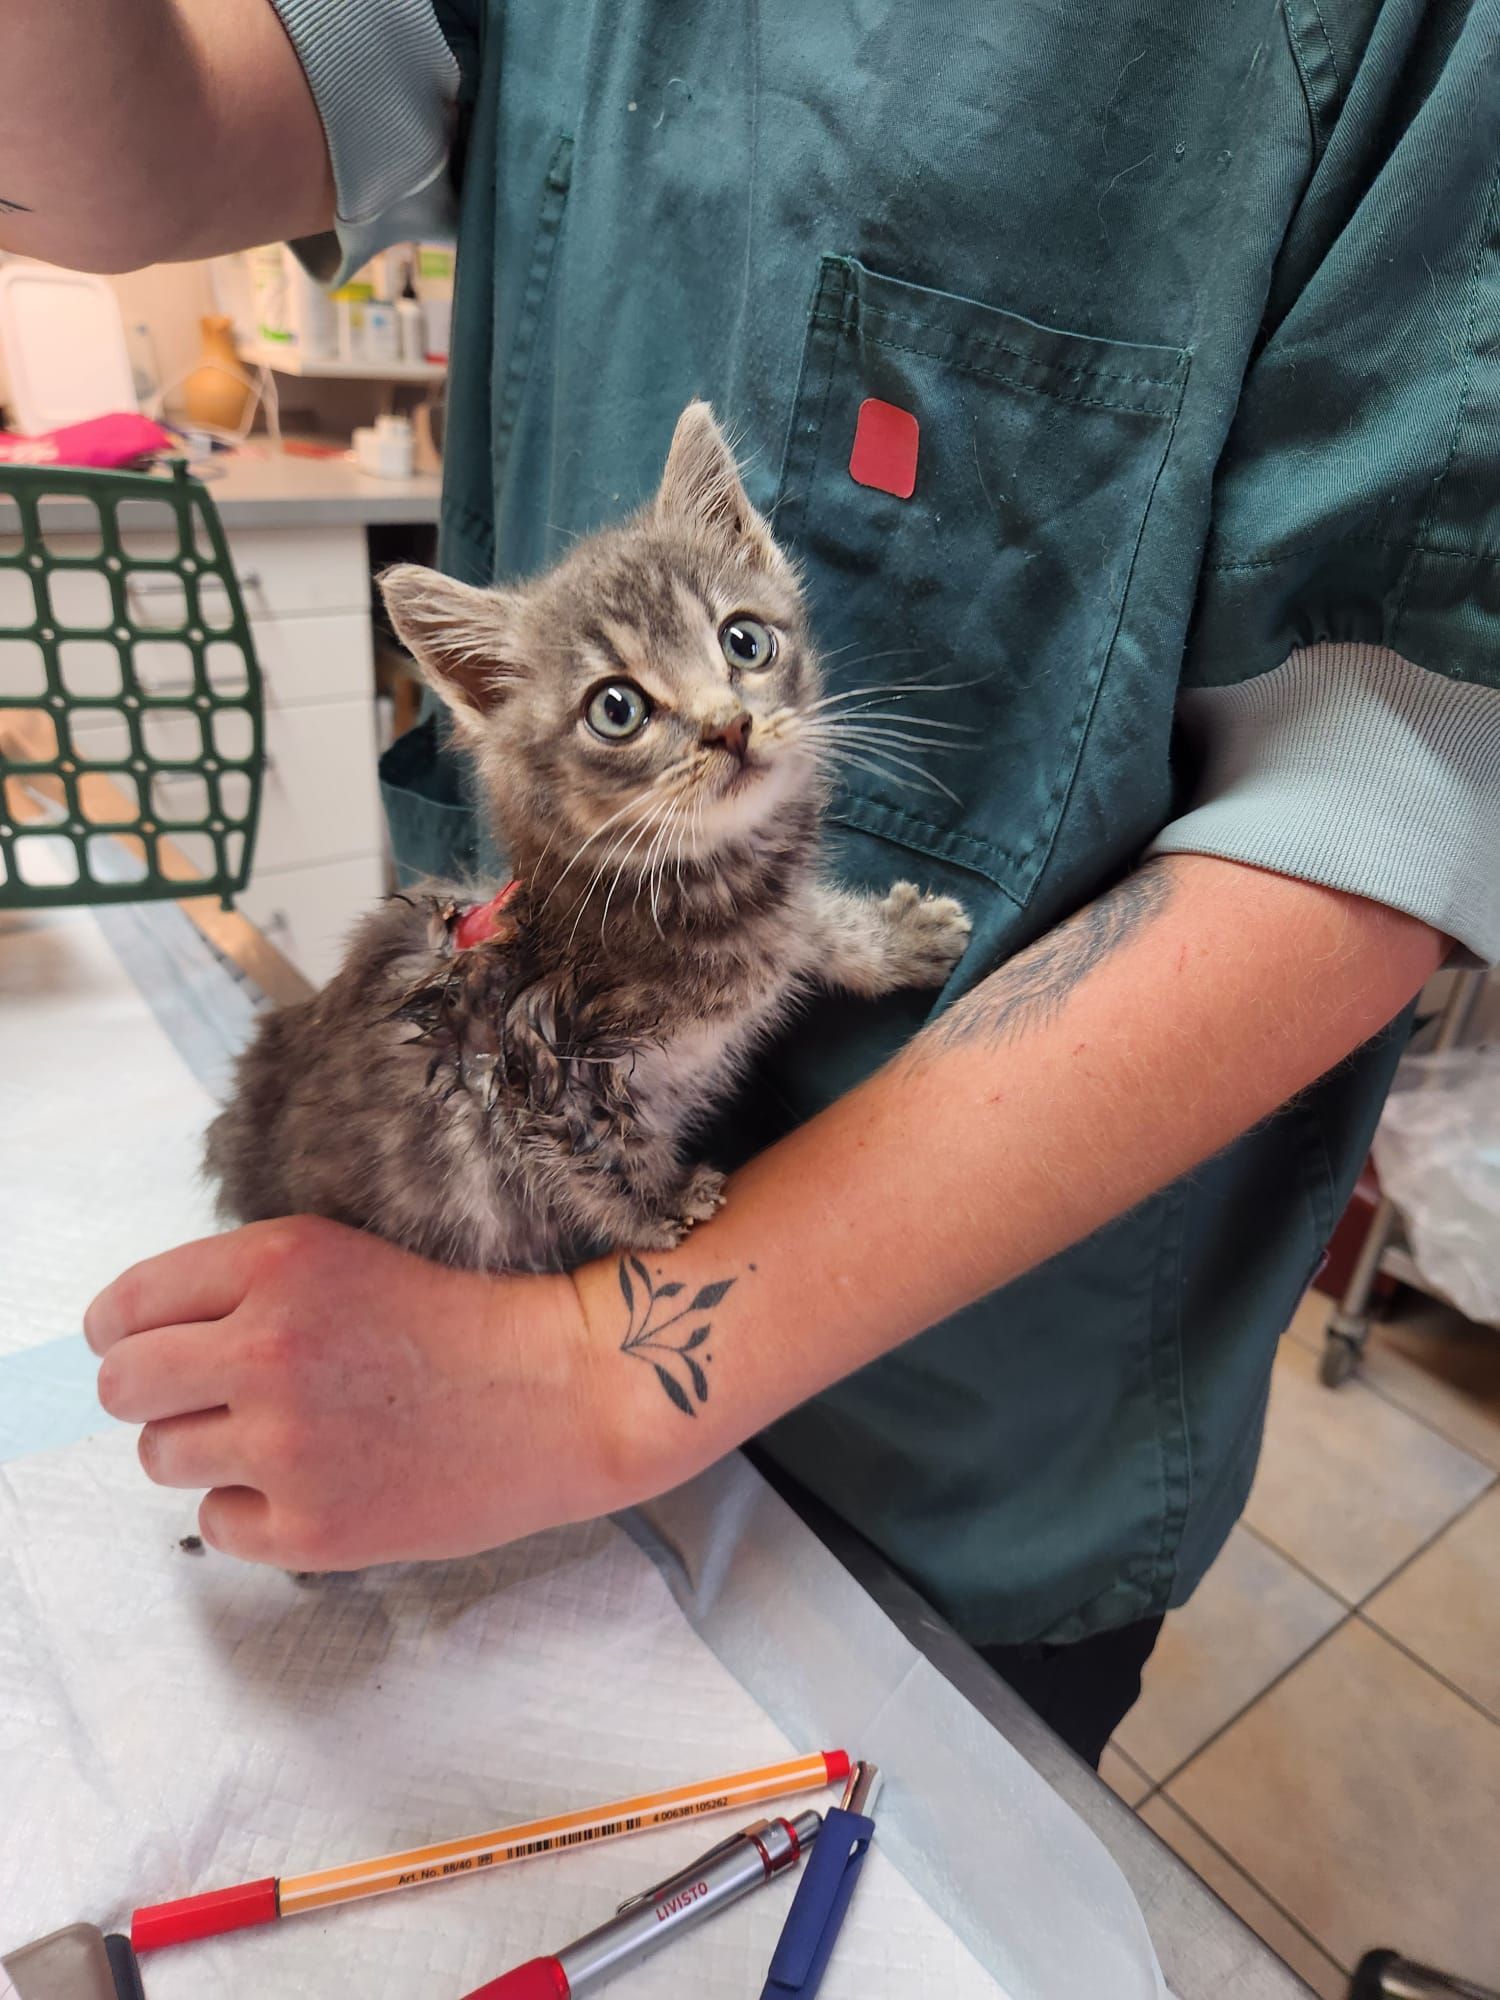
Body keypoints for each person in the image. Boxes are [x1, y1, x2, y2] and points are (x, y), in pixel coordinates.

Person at [12, 1, 1494, 1771]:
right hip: (435, 1336)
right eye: (631, 708)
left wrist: (594, 1376)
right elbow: (125, 153)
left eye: (732, 654)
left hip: (960, 1421)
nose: (723, 721)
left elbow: (1394, 789)